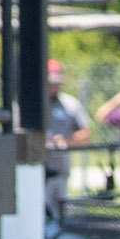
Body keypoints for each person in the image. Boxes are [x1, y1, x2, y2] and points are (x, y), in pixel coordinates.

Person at [45, 59, 91, 220]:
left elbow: (86, 135)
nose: (54, 87)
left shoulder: (70, 104)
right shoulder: (31, 104)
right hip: (37, 169)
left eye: (56, 83)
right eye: (50, 83)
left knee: (59, 216)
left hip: (60, 169)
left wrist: (65, 141)